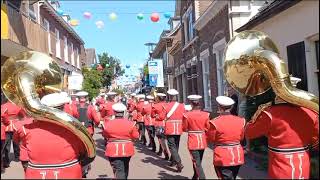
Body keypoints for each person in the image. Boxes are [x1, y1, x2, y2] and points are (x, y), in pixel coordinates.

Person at [245, 77, 319, 179]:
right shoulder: (311, 112)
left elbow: (249, 132)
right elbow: (315, 141)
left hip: (280, 170)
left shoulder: (269, 114)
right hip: (303, 168)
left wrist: (257, 114)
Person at [16, 92, 87, 179]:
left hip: (36, 175)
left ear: (42, 109)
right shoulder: (74, 129)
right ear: (63, 108)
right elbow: (84, 153)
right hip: (70, 174)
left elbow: (24, 159)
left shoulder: (26, 130)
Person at [206, 96, 245, 179]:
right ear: (231, 107)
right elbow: (241, 138)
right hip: (237, 156)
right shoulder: (241, 120)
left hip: (222, 157)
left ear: (219, 107)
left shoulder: (214, 122)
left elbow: (210, 139)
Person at [102, 103, 139, 179]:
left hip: (113, 150)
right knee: (124, 168)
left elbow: (105, 135)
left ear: (114, 112)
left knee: (119, 170)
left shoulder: (107, 124)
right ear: (123, 113)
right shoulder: (131, 123)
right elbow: (136, 136)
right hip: (127, 149)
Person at [183, 95, 210, 179]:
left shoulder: (187, 115)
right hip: (202, 140)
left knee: (196, 162)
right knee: (198, 161)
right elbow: (208, 128)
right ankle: (195, 176)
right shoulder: (206, 114)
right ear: (199, 104)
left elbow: (184, 128)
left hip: (193, 140)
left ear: (191, 104)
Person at [159, 89, 185, 172]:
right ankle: (173, 161)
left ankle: (178, 162)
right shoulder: (181, 106)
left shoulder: (166, 106)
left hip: (170, 128)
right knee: (176, 145)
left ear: (169, 96)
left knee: (171, 146)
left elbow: (161, 117)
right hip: (179, 127)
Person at [1, 97, 26, 168]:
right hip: (16, 125)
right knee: (17, 142)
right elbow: (22, 115)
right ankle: (17, 156)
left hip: (6, 126)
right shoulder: (17, 106)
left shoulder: (2, 106)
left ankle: (6, 160)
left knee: (6, 145)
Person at [151, 93, 169, 160]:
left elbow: (152, 115)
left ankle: (166, 153)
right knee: (170, 141)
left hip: (159, 124)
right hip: (168, 124)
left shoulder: (155, 106)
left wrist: (157, 116)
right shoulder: (168, 105)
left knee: (161, 140)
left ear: (158, 98)